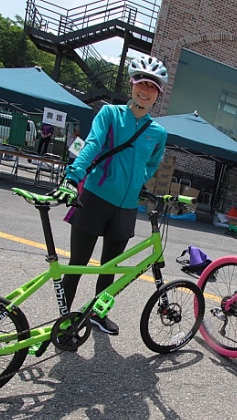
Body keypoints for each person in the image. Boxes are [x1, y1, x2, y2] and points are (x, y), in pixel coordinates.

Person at [50, 55, 169, 335]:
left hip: (126, 206)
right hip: (94, 197)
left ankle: (97, 315)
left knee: (109, 269)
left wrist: (141, 178)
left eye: (153, 86)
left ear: (159, 93)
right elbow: (91, 145)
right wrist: (73, 177)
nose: (146, 90)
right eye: (142, 83)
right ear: (132, 84)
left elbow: (153, 163)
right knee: (77, 264)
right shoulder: (110, 114)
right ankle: (65, 320)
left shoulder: (158, 132)